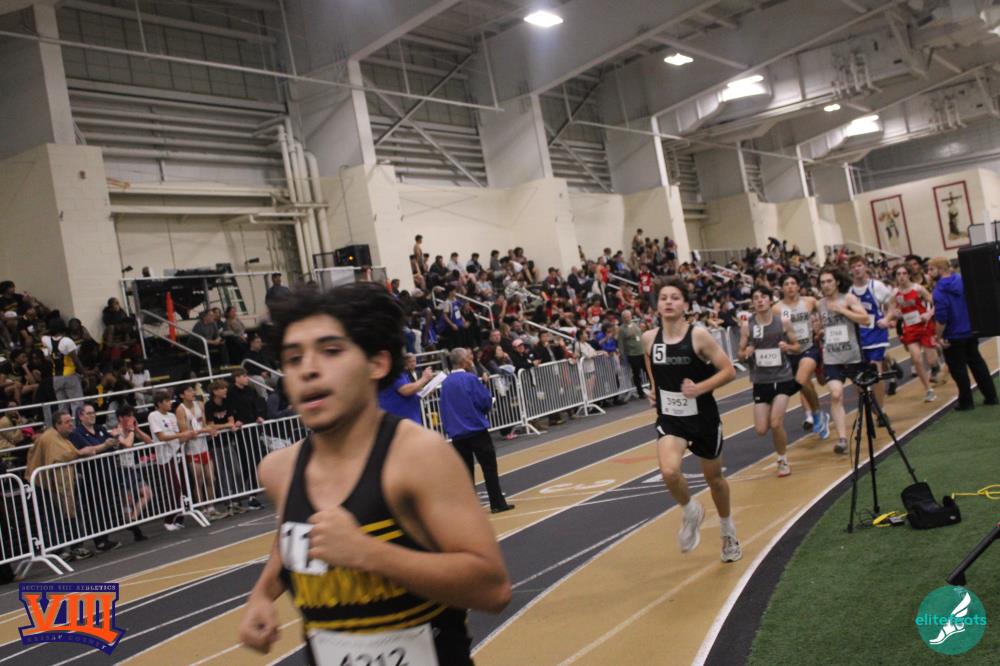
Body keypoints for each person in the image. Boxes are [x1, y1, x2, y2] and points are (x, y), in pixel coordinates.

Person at [238, 283, 511, 663]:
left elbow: (493, 589)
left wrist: (368, 553)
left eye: (331, 351)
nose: (309, 370)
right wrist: (261, 595)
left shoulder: (419, 458)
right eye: (294, 358)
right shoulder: (278, 471)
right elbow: (292, 536)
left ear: (377, 364)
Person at [641, 277, 741, 562]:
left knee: (715, 480)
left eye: (675, 297)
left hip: (703, 418)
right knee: (669, 472)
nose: (668, 302)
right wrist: (655, 388)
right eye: (664, 298)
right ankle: (690, 510)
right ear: (657, 305)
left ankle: (727, 530)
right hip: (671, 418)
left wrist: (700, 388)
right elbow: (649, 359)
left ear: (685, 304)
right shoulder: (649, 338)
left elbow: (729, 371)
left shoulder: (698, 336)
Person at [26, 411, 117, 562]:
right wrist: (81, 453)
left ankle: (75, 546)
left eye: (71, 421)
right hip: (44, 484)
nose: (71, 424)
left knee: (69, 514)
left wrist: (103, 446)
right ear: (57, 424)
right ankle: (58, 551)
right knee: (52, 518)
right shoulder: (50, 438)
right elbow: (63, 456)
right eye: (67, 422)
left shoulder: (64, 437)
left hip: (57, 482)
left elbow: (78, 452)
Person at [440, 348, 515, 514]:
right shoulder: (470, 378)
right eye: (469, 358)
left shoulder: (446, 383)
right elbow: (484, 401)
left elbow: (444, 408)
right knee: (489, 468)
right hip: (476, 429)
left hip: (457, 434)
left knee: (465, 472)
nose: (471, 360)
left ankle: (470, 507)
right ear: (463, 361)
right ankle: (497, 502)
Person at [740, 286, 800, 477]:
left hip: (782, 378)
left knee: (775, 423)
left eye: (763, 297)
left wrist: (787, 346)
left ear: (769, 300)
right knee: (761, 429)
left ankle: (782, 460)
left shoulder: (782, 322)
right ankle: (781, 451)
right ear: (753, 302)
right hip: (761, 381)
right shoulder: (747, 326)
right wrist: (746, 352)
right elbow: (739, 354)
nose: (759, 300)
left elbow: (798, 346)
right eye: (756, 298)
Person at [928, 258, 999, 411]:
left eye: (931, 269)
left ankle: (966, 402)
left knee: (959, 370)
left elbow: (942, 318)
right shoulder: (962, 280)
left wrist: (938, 336)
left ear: (940, 269)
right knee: (978, 364)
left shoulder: (939, 291)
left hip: (953, 335)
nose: (928, 273)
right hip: (970, 330)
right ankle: (991, 396)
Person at [817, 268, 871, 454]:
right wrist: (821, 331)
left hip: (853, 356)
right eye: (822, 282)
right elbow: (824, 325)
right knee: (835, 395)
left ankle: (875, 416)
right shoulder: (820, 304)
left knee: (863, 393)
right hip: (832, 357)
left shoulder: (848, 299)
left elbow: (865, 319)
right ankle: (842, 439)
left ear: (837, 282)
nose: (826, 285)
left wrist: (842, 310)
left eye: (829, 281)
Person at [775, 274, 829, 438]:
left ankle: (817, 414)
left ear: (798, 286)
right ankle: (818, 413)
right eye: (786, 284)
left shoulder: (809, 302)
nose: (790, 286)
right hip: (790, 352)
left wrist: (822, 328)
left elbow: (826, 311)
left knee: (802, 380)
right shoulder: (777, 309)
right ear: (782, 288)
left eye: (793, 283)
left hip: (809, 348)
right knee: (804, 385)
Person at [68, 404, 123, 552]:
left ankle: (105, 538)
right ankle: (99, 541)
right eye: (89, 413)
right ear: (81, 416)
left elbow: (110, 445)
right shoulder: (77, 433)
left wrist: (114, 440)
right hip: (90, 477)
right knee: (95, 509)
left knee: (106, 507)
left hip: (106, 473)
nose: (92, 415)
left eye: (93, 412)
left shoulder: (100, 429)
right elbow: (88, 450)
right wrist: (104, 445)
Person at [848, 256, 893, 404]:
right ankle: (868, 404)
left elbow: (892, 304)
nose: (857, 269)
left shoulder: (876, 286)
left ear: (866, 267)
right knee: (859, 376)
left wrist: (887, 319)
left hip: (876, 334)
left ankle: (880, 408)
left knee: (875, 370)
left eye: (859, 265)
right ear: (850, 270)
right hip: (858, 337)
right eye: (853, 267)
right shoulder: (849, 291)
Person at [890, 264, 938, 402]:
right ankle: (928, 390)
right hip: (909, 328)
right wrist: (895, 314)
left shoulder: (918, 288)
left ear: (909, 275)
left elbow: (936, 303)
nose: (901, 277)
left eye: (904, 273)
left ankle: (937, 362)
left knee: (931, 360)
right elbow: (891, 310)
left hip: (925, 326)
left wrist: (929, 314)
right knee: (916, 359)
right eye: (898, 274)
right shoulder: (894, 293)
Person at [41, 319, 86, 419]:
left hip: (56, 378)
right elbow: (76, 360)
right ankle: (77, 425)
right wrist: (84, 374)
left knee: (62, 406)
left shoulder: (46, 340)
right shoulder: (67, 341)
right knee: (77, 404)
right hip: (70, 376)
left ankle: (64, 426)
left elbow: (47, 356)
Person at [378, 353, 434, 424]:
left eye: (414, 361)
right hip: (399, 423)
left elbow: (411, 392)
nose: (412, 363)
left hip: (407, 421)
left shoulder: (401, 374)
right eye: (409, 361)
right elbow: (405, 390)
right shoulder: (392, 373)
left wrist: (426, 391)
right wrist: (425, 378)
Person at [617, 309, 646, 399]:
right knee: (636, 374)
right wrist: (622, 355)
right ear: (623, 318)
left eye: (628, 316)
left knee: (648, 371)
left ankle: (654, 388)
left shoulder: (635, 324)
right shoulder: (621, 329)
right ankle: (640, 392)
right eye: (625, 317)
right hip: (632, 354)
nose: (627, 318)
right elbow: (620, 343)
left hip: (642, 351)